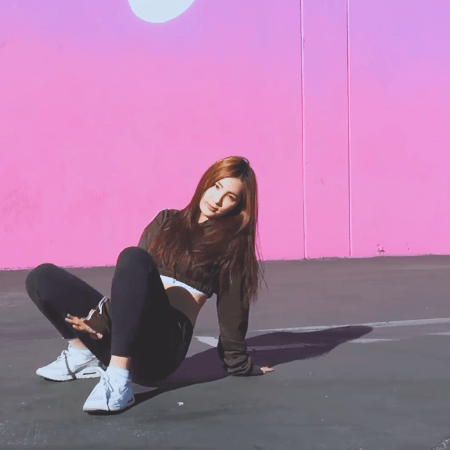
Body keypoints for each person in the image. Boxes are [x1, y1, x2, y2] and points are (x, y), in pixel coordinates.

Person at [25, 156, 274, 414]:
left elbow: (233, 313)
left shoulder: (231, 248)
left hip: (161, 349)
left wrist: (240, 364)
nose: (217, 199)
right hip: (124, 333)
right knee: (42, 278)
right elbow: (134, 283)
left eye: (230, 197)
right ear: (206, 182)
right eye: (216, 186)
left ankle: (118, 379)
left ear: (238, 206)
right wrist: (102, 320)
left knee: (134, 257)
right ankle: (83, 355)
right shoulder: (166, 220)